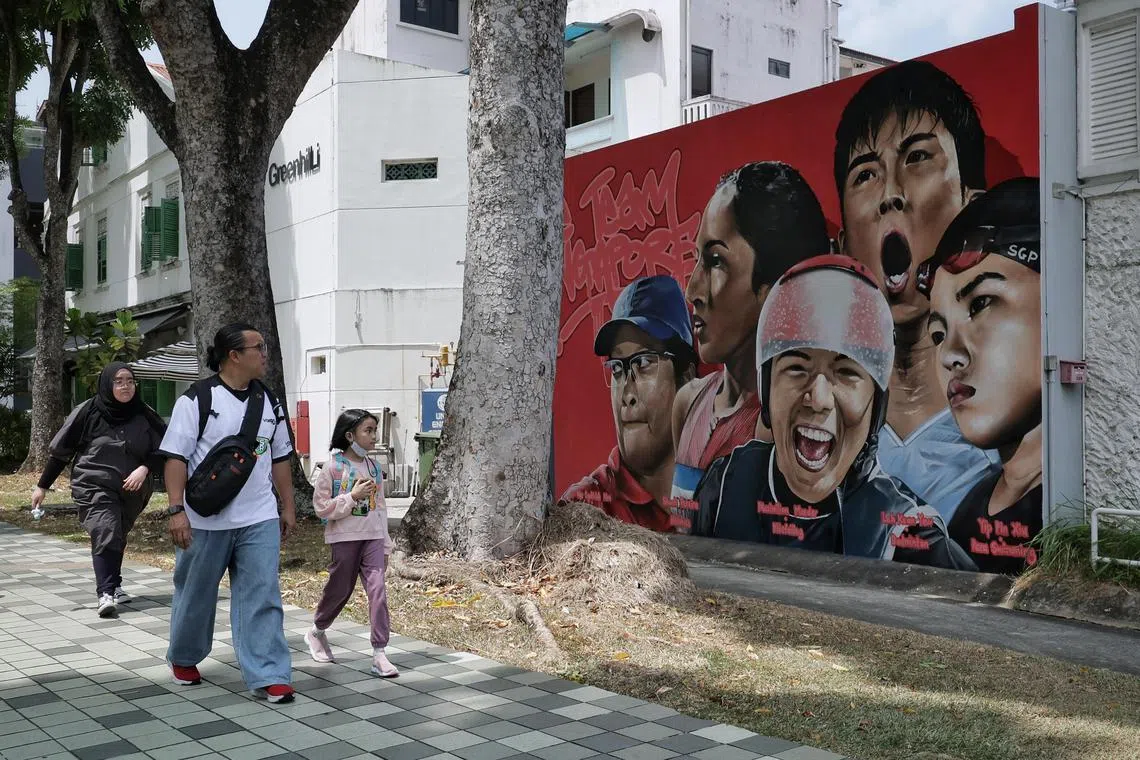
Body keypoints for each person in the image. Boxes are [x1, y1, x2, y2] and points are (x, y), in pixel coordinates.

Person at [690, 255, 975, 570]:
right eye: (797, 368)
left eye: (846, 372)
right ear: (767, 388)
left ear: (876, 407)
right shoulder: (726, 484)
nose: (819, 398)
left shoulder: (906, 536)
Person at [833, 60, 1001, 521]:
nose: (891, 193)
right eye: (865, 173)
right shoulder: (824, 428)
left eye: (917, 157)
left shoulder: (1012, 434)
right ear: (845, 246)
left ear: (973, 208)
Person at [671, 162, 831, 506]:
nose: (691, 290)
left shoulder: (788, 429)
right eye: (698, 258)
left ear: (773, 287)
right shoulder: (688, 404)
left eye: (715, 261)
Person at [158, 323, 298, 703]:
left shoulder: (269, 400)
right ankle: (184, 656)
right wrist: (176, 511)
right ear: (233, 355)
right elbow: (175, 459)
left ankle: (269, 672)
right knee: (196, 594)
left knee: (262, 594)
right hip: (204, 520)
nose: (265, 353)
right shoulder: (197, 400)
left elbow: (280, 456)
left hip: (259, 518)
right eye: (258, 347)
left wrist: (286, 506)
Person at [920, 177, 1043, 573]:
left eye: (982, 303)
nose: (950, 354)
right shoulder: (972, 505)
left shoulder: (1082, 503)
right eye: (938, 334)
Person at [561, 276, 698, 531]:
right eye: (617, 368)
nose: (627, 393)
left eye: (644, 363)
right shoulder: (586, 508)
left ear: (687, 380)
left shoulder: (719, 495)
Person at [31, 362, 167, 617]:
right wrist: (42, 487)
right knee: (106, 529)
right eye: (118, 381)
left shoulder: (144, 413)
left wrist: (145, 468)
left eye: (129, 380)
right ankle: (105, 592)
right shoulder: (88, 411)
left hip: (133, 488)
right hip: (93, 484)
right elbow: (62, 452)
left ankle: (113, 583)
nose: (125, 386)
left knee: (117, 534)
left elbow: (165, 449)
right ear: (107, 384)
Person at [306, 409, 398, 677]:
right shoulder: (332, 468)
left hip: (372, 538)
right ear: (349, 435)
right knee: (339, 590)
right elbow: (322, 509)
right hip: (345, 539)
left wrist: (385, 543)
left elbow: (380, 508)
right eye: (367, 431)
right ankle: (317, 631)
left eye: (374, 431)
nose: (374, 436)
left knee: (378, 590)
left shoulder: (374, 468)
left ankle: (380, 653)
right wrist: (352, 496)